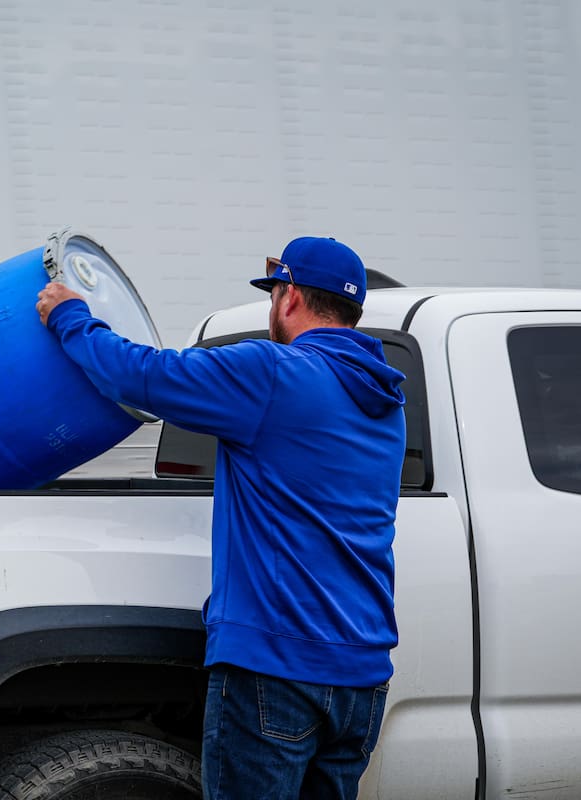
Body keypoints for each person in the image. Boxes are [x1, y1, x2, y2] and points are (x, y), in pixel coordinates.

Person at [36, 236, 406, 800]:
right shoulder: (384, 402)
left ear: (288, 299)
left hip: (278, 669)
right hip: (362, 678)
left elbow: (141, 377)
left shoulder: (275, 374)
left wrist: (70, 317)